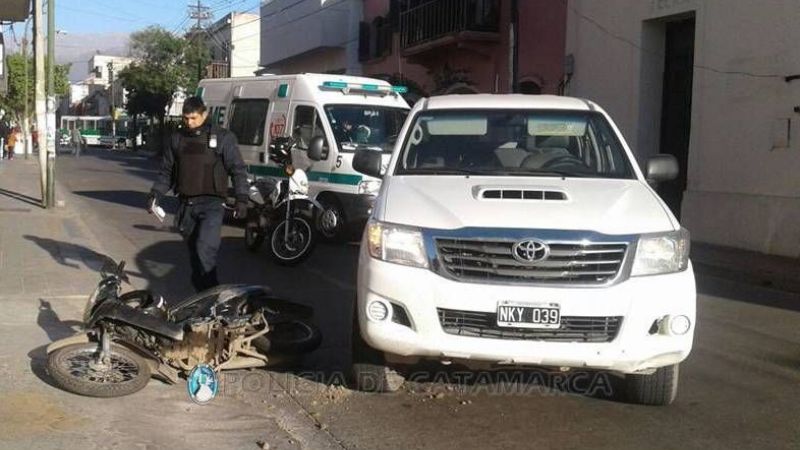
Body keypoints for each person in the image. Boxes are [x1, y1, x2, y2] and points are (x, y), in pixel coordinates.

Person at [147, 96, 249, 292]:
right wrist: (155, 195)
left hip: (212, 206)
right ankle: (204, 298)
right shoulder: (177, 139)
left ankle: (214, 294)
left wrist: (241, 199)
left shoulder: (223, 138)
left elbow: (238, 169)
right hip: (187, 208)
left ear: (204, 114)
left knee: (205, 248)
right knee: (196, 258)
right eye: (185, 119)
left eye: (193, 118)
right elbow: (167, 172)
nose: (189, 123)